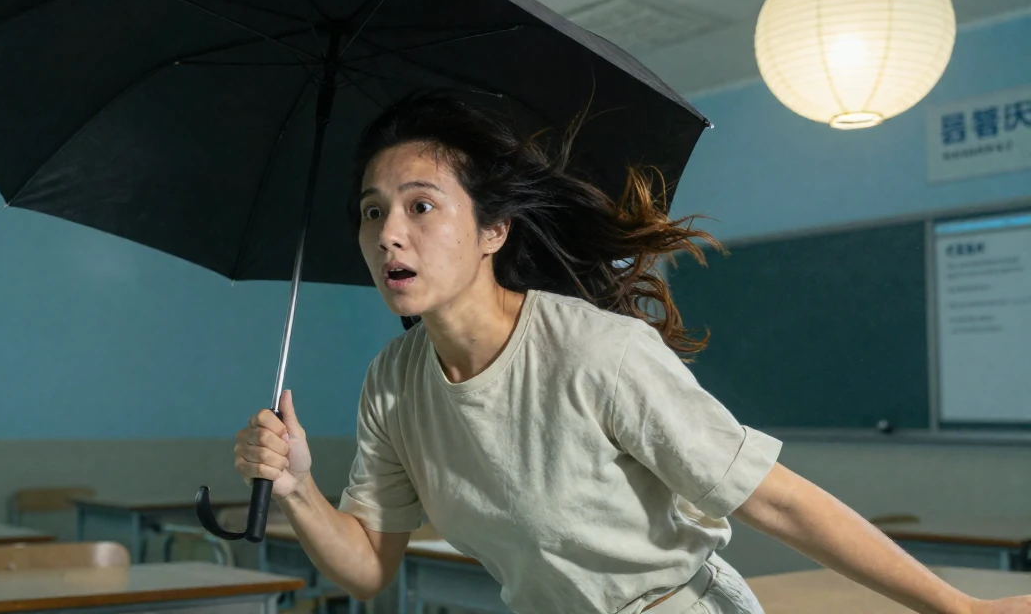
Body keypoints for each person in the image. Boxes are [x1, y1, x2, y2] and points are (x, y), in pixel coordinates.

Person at [235, 94, 1031, 614]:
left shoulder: (595, 353)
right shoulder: (393, 384)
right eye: (372, 212)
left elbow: (774, 500)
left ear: (493, 230)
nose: (389, 235)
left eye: (420, 206)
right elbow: (370, 568)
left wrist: (955, 608)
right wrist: (298, 488)